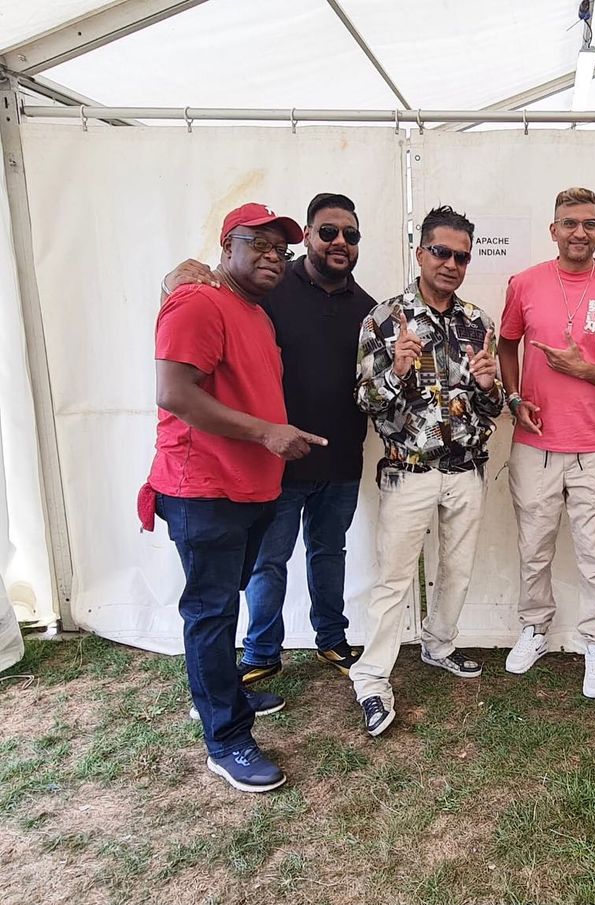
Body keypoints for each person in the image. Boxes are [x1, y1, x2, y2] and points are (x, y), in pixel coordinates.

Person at [162, 194, 377, 688]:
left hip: (342, 457)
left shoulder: (369, 310)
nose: (340, 242)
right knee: (268, 561)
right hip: (275, 458)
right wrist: (169, 281)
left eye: (350, 235)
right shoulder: (269, 289)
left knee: (330, 552)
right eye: (328, 232)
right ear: (309, 235)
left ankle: (332, 637)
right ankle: (262, 649)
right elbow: (201, 318)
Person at [146, 202, 325, 792]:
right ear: (227, 247)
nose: (273, 256)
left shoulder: (254, 313)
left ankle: (221, 693)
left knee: (223, 605)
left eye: (282, 249)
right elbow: (174, 393)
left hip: (250, 488)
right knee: (211, 612)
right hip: (205, 489)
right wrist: (268, 433)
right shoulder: (198, 301)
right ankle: (226, 739)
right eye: (259, 244)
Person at [352, 206, 503, 736]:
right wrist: (396, 369)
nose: (452, 264)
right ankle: (371, 679)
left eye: (462, 256)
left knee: (457, 570)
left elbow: (493, 407)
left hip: (466, 470)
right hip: (407, 470)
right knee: (393, 581)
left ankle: (439, 644)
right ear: (420, 253)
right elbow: (365, 400)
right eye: (442, 252)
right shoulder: (384, 319)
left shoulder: (478, 323)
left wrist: (488, 386)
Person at [497, 187, 595, 699]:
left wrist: (584, 370)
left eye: (589, 224)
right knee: (533, 548)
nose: (579, 232)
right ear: (553, 229)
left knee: (594, 555)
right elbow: (506, 345)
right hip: (534, 443)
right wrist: (514, 398)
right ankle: (535, 628)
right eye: (569, 223)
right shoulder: (524, 283)